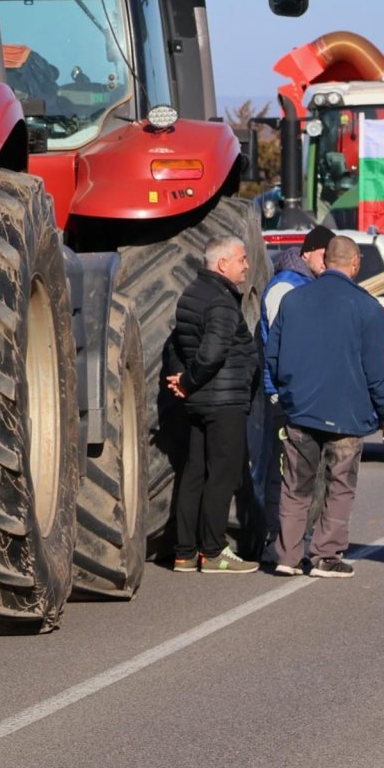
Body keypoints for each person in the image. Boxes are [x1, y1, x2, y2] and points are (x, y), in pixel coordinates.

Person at [265, 235, 384, 578]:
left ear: (325, 261)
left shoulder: (293, 301)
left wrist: (283, 394)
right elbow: (377, 370)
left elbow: (273, 356)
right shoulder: (367, 307)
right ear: (355, 263)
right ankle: (326, 556)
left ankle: (288, 556)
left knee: (296, 486)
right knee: (340, 485)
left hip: (300, 410)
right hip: (348, 414)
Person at [164, 236, 261, 573]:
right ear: (223, 264)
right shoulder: (220, 302)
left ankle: (185, 553)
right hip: (223, 400)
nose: (247, 265)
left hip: (199, 401)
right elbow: (213, 352)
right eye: (242, 259)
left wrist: (183, 382)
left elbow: (177, 344)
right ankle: (215, 551)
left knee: (193, 473)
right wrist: (189, 380)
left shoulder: (191, 293)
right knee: (222, 475)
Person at [249, 225, 331, 572]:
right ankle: (275, 538)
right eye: (324, 256)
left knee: (300, 468)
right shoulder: (285, 286)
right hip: (283, 393)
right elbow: (289, 344)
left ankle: (294, 537)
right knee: (284, 468)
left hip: (301, 390)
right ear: (307, 252)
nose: (328, 263)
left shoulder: (307, 284)